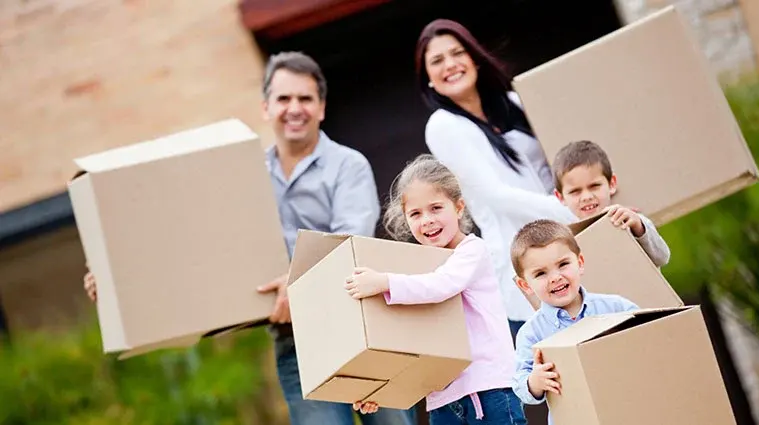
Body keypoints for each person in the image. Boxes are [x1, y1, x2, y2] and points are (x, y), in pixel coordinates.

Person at [83, 51, 416, 425]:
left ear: (321, 108)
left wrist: (299, 281)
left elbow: (350, 238)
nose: (295, 108)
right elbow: (192, 243)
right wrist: (114, 281)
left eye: (305, 99)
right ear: (266, 108)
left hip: (361, 325)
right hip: (296, 341)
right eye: (284, 99)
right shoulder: (243, 174)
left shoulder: (347, 165)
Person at [415, 19, 576, 340]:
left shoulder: (513, 103)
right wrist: (573, 213)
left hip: (568, 247)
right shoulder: (443, 125)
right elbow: (494, 194)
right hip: (522, 262)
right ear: (428, 79)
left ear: (474, 57)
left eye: (457, 53)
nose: (450, 64)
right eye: (437, 61)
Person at [345, 154, 526, 425]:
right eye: (415, 214)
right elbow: (408, 340)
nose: (426, 220)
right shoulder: (418, 272)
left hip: (489, 392)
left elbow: (441, 285)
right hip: (442, 400)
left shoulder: (471, 251)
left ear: (459, 207)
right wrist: (379, 392)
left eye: (436, 208)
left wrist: (384, 282)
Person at [509, 219, 639, 425]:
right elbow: (519, 384)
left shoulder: (616, 308)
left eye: (563, 264)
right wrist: (535, 382)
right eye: (540, 273)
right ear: (525, 285)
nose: (555, 277)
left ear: (580, 263)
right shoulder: (532, 333)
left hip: (625, 410)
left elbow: (646, 340)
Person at [551, 140, 670, 267]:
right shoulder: (567, 243)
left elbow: (662, 257)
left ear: (612, 184)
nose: (586, 197)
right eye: (575, 191)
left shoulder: (629, 220)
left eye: (594, 186)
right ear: (560, 197)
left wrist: (638, 227)